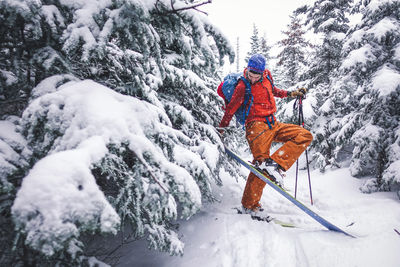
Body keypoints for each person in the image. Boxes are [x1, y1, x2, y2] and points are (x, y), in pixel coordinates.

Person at [218, 54, 313, 216]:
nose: (253, 76)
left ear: (262, 72)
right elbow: (231, 109)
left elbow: (274, 91)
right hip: (256, 127)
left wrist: (291, 94)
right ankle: (250, 205)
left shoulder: (267, 76)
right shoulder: (242, 86)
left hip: (273, 123)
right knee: (261, 165)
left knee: (304, 135)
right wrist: (221, 129)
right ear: (247, 69)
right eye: (251, 73)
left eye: (257, 74)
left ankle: (275, 164)